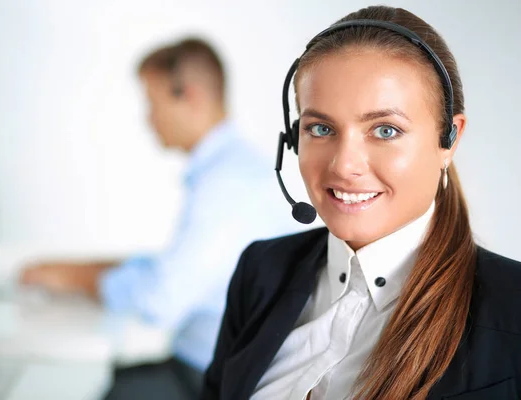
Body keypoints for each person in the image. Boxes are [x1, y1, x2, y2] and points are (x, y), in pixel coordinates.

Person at [202, 6, 521, 400]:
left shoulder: (512, 305)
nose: (344, 165)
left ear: (449, 139)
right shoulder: (262, 272)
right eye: (320, 128)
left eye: (385, 130)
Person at [20, 38, 301, 399]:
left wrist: (75, 278)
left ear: (190, 96)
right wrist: (83, 269)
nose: (148, 118)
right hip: (202, 366)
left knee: (67, 385)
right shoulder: (230, 170)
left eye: (152, 103)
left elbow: (160, 300)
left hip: (208, 381)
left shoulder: (228, 185)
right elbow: (173, 268)